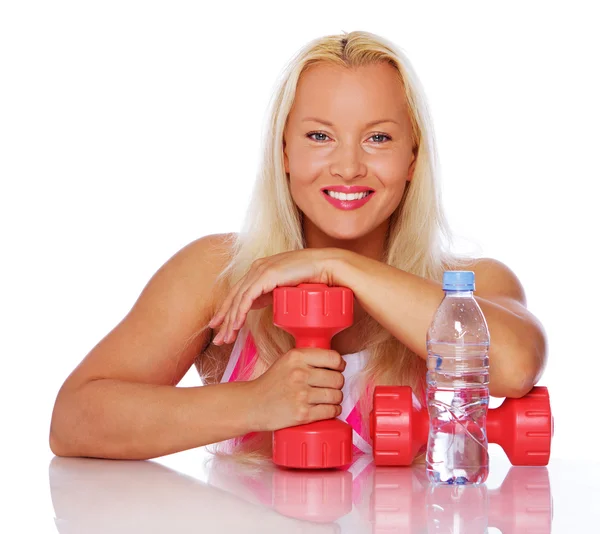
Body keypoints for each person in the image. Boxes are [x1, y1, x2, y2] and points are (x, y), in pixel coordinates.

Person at [49, 30, 547, 465]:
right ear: (283, 151)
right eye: (319, 136)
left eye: (377, 137)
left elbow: (514, 367)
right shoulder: (218, 273)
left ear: (413, 157)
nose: (348, 167)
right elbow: (74, 421)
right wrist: (256, 403)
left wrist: (334, 264)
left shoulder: (469, 287)